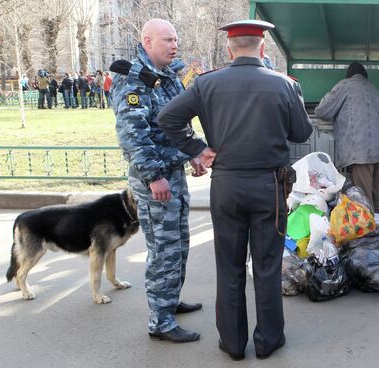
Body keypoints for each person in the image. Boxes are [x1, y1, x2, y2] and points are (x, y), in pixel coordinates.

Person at [157, 19, 312, 360]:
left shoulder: (207, 83)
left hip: (225, 185)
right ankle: (268, 341)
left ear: (229, 48)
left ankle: (232, 344)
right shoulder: (284, 85)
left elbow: (168, 118)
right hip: (268, 187)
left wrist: (197, 148)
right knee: (267, 266)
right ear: (263, 48)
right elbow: (301, 133)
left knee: (229, 267)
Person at [111, 18, 207, 343]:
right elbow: (132, 134)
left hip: (173, 174)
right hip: (155, 181)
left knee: (179, 244)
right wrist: (154, 176)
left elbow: (176, 123)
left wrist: (192, 154)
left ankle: (170, 303)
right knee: (163, 250)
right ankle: (160, 323)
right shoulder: (132, 80)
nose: (174, 45)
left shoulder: (166, 78)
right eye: (167, 40)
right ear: (147, 42)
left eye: (175, 39)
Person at [314, 62, 379, 213]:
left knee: (362, 199)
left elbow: (322, 111)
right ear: (365, 76)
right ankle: (378, 228)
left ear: (348, 76)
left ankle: (367, 232)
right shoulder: (374, 88)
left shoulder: (344, 85)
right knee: (376, 200)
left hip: (360, 150)